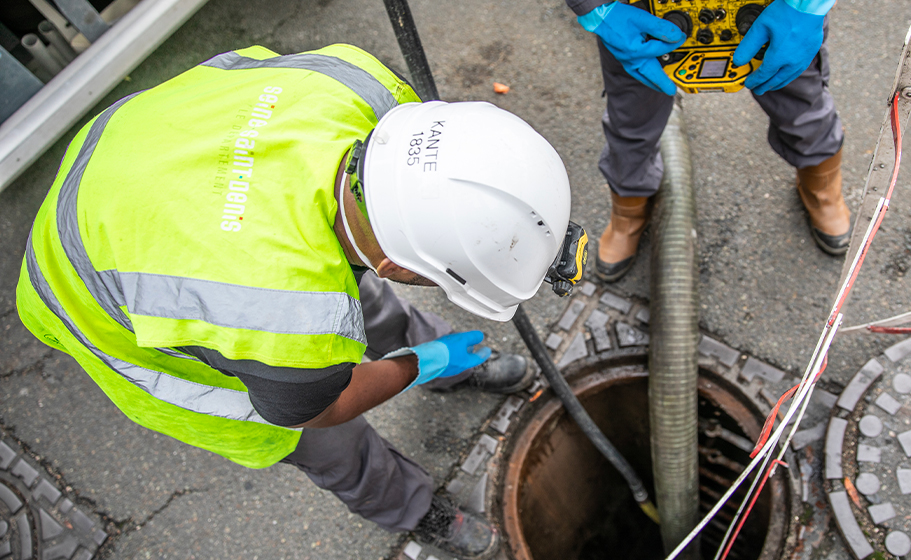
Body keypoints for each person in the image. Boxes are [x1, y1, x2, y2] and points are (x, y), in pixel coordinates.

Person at [16, 44, 574, 559]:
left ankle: (450, 370)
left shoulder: (369, 91)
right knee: (332, 445)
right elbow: (321, 408)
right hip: (87, 275)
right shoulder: (277, 315)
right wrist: (421, 362)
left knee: (349, 302)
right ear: (395, 267)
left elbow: (345, 263)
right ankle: (412, 508)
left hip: (155, 155)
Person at [568, 0, 849, 281]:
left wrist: (807, 8)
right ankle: (628, 215)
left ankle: (822, 192)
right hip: (639, 12)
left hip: (778, 9)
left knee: (802, 109)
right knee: (632, 121)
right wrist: (595, 7)